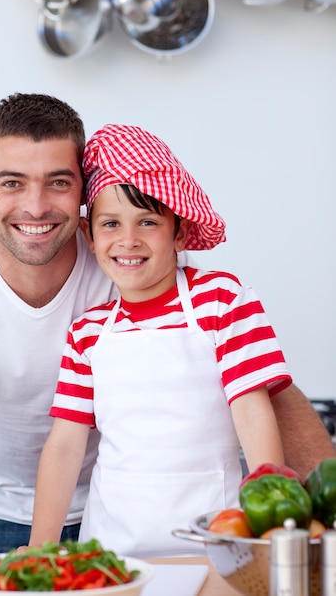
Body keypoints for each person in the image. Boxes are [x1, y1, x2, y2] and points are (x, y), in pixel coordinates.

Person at [0, 95, 333, 578]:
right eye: (12, 181)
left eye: (57, 182)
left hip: (159, 523)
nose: (35, 206)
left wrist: (323, 515)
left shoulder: (163, 276)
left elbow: (265, 393)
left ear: (81, 194)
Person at [25, 124, 321, 557]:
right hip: (112, 552)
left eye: (148, 221)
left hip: (215, 542)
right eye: (111, 224)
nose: (128, 240)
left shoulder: (221, 300)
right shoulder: (87, 333)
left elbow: (253, 415)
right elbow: (66, 446)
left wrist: (266, 527)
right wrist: (39, 549)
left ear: (180, 233)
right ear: (89, 237)